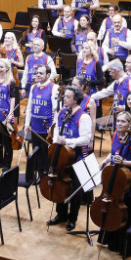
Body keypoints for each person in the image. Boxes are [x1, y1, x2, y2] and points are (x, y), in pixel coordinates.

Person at [47, 86, 93, 231]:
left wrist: (68, 142)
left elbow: (86, 139)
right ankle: (61, 214)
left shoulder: (83, 117)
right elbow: (56, 132)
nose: (64, 98)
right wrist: (54, 145)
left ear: (75, 100)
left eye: (67, 97)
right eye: (64, 96)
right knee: (60, 184)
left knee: (75, 189)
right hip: (61, 156)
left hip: (77, 157)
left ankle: (72, 218)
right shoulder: (62, 112)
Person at [98, 110, 131, 254]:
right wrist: (105, 161)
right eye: (118, 121)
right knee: (112, 209)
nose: (119, 124)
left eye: (123, 121)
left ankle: (125, 248)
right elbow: (113, 152)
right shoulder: (115, 136)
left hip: (128, 182)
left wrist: (124, 162)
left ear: (129, 124)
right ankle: (112, 241)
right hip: (114, 179)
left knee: (126, 212)